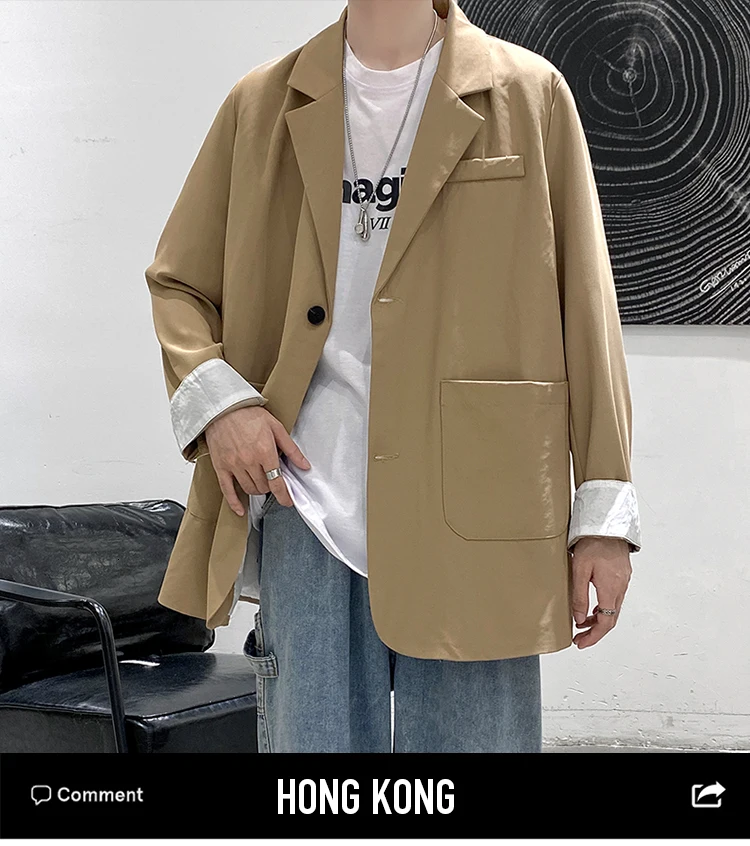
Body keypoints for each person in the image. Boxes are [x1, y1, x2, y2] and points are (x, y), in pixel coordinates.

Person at [145, 0, 642, 753]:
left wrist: (603, 518)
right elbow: (177, 282)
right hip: (306, 499)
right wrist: (223, 408)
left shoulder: (529, 93)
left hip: (478, 501)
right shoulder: (261, 104)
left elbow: (587, 309)